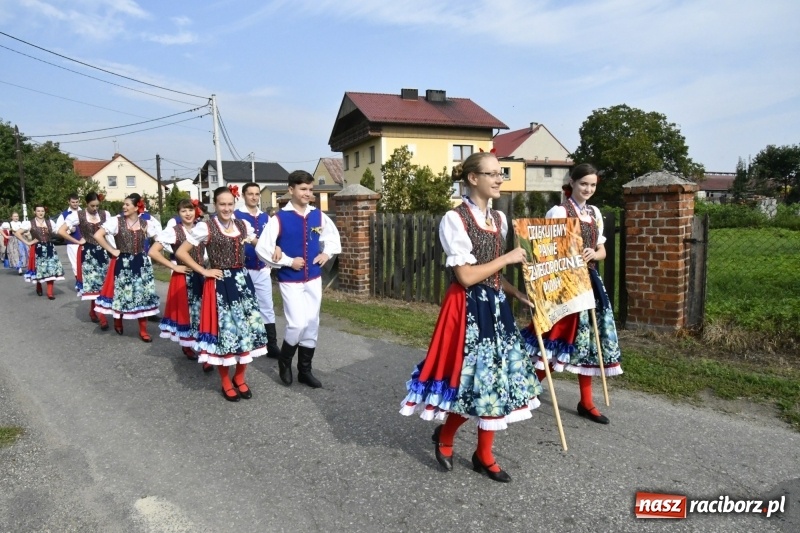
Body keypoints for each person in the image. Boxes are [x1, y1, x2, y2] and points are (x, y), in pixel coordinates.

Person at [398, 152, 542, 483]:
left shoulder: (499, 220)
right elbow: (465, 276)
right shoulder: (455, 219)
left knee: (496, 380)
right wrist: (508, 257)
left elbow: (489, 272)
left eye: (501, 173)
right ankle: (446, 437)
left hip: (495, 305)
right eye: (492, 174)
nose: (499, 179)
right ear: (473, 178)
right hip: (467, 309)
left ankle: (483, 454)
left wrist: (514, 292)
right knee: (470, 382)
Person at [520, 163, 623, 425]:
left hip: (589, 282)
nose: (588, 189)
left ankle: (586, 402)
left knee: (589, 344)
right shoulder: (559, 211)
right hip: (565, 285)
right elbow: (545, 250)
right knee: (559, 340)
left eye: (592, 185)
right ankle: (525, 390)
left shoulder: (595, 213)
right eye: (583, 184)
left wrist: (593, 253)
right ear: (572, 183)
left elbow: (602, 252)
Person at [175, 186, 267, 402]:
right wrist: (204, 270)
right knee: (225, 333)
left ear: (235, 204)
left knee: (248, 329)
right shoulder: (206, 227)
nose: (226, 208)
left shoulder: (242, 225)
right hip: (219, 284)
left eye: (229, 204)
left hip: (242, 282)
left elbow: (259, 244)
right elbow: (181, 252)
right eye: (222, 204)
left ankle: (240, 377)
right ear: (215, 205)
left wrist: (276, 250)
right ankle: (226, 380)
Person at [255, 170, 341, 389]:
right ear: (291, 190)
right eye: (303, 189)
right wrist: (287, 261)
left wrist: (326, 254)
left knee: (312, 323)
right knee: (297, 324)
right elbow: (263, 249)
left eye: (310, 189)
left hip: (313, 278)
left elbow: (332, 238)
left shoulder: (318, 215)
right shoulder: (279, 218)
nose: (307, 193)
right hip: (290, 279)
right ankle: (285, 362)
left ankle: (305, 370)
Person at [148, 199, 210, 368]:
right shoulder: (174, 231)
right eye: (183, 211)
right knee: (188, 313)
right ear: (179, 213)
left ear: (196, 211)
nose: (188, 214)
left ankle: (204, 350)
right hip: (184, 276)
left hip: (202, 274)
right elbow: (153, 252)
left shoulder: (202, 228)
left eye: (190, 210)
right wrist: (174, 267)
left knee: (204, 312)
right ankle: (188, 344)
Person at [93, 193, 162, 342]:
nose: (124, 207)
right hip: (123, 262)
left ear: (137, 207)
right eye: (124, 204)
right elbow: (98, 235)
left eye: (127, 204)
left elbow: (161, 239)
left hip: (141, 262)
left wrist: (152, 251)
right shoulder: (116, 222)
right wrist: (112, 250)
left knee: (143, 295)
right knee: (123, 294)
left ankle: (143, 330)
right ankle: (118, 321)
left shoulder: (146, 224)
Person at [234, 182, 281, 359]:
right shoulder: (236, 216)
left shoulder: (265, 218)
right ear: (244, 195)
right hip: (242, 268)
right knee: (242, 306)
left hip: (262, 268)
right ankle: (245, 342)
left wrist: (276, 248)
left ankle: (271, 344)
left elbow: (273, 239)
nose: (254, 197)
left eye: (256, 194)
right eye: (250, 194)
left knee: (266, 306)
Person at [58, 192, 113, 330]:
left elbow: (112, 232)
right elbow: (61, 231)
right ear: (86, 204)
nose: (95, 208)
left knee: (104, 284)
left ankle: (93, 311)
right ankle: (101, 316)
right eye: (92, 205)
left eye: (97, 206)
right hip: (88, 253)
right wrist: (77, 241)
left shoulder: (105, 214)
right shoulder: (78, 215)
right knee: (94, 284)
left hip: (103, 252)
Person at [15, 205, 65, 299]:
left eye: (42, 211)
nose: (41, 213)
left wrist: (66, 231)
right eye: (38, 211)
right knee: (39, 269)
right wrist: (28, 242)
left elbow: (57, 233)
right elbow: (17, 233)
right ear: (34, 212)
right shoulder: (30, 223)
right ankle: (39, 285)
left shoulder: (50, 222)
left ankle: (50, 292)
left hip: (49, 247)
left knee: (51, 269)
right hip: (37, 248)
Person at [56, 193, 82, 279]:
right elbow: (58, 230)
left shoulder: (84, 212)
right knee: (75, 265)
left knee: (86, 264)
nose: (75, 204)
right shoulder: (64, 214)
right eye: (73, 202)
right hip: (72, 244)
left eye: (76, 202)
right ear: (68, 202)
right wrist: (68, 231)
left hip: (85, 242)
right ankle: (80, 284)